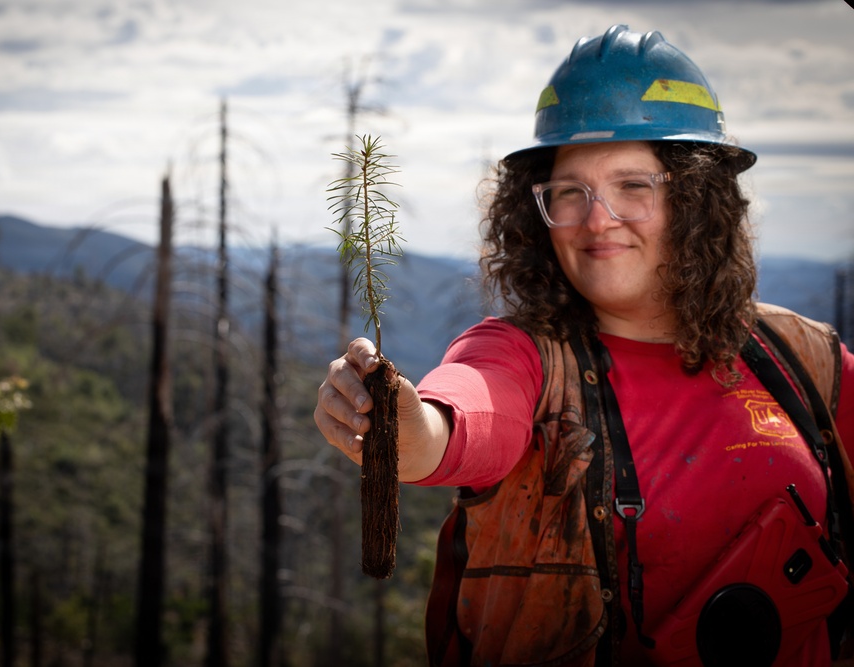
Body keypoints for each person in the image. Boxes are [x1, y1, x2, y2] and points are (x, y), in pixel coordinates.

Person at [314, 24, 854, 667]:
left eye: (633, 186)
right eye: (570, 192)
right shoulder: (525, 359)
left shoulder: (800, 355)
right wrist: (407, 430)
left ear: (696, 198)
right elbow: (465, 415)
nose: (597, 218)